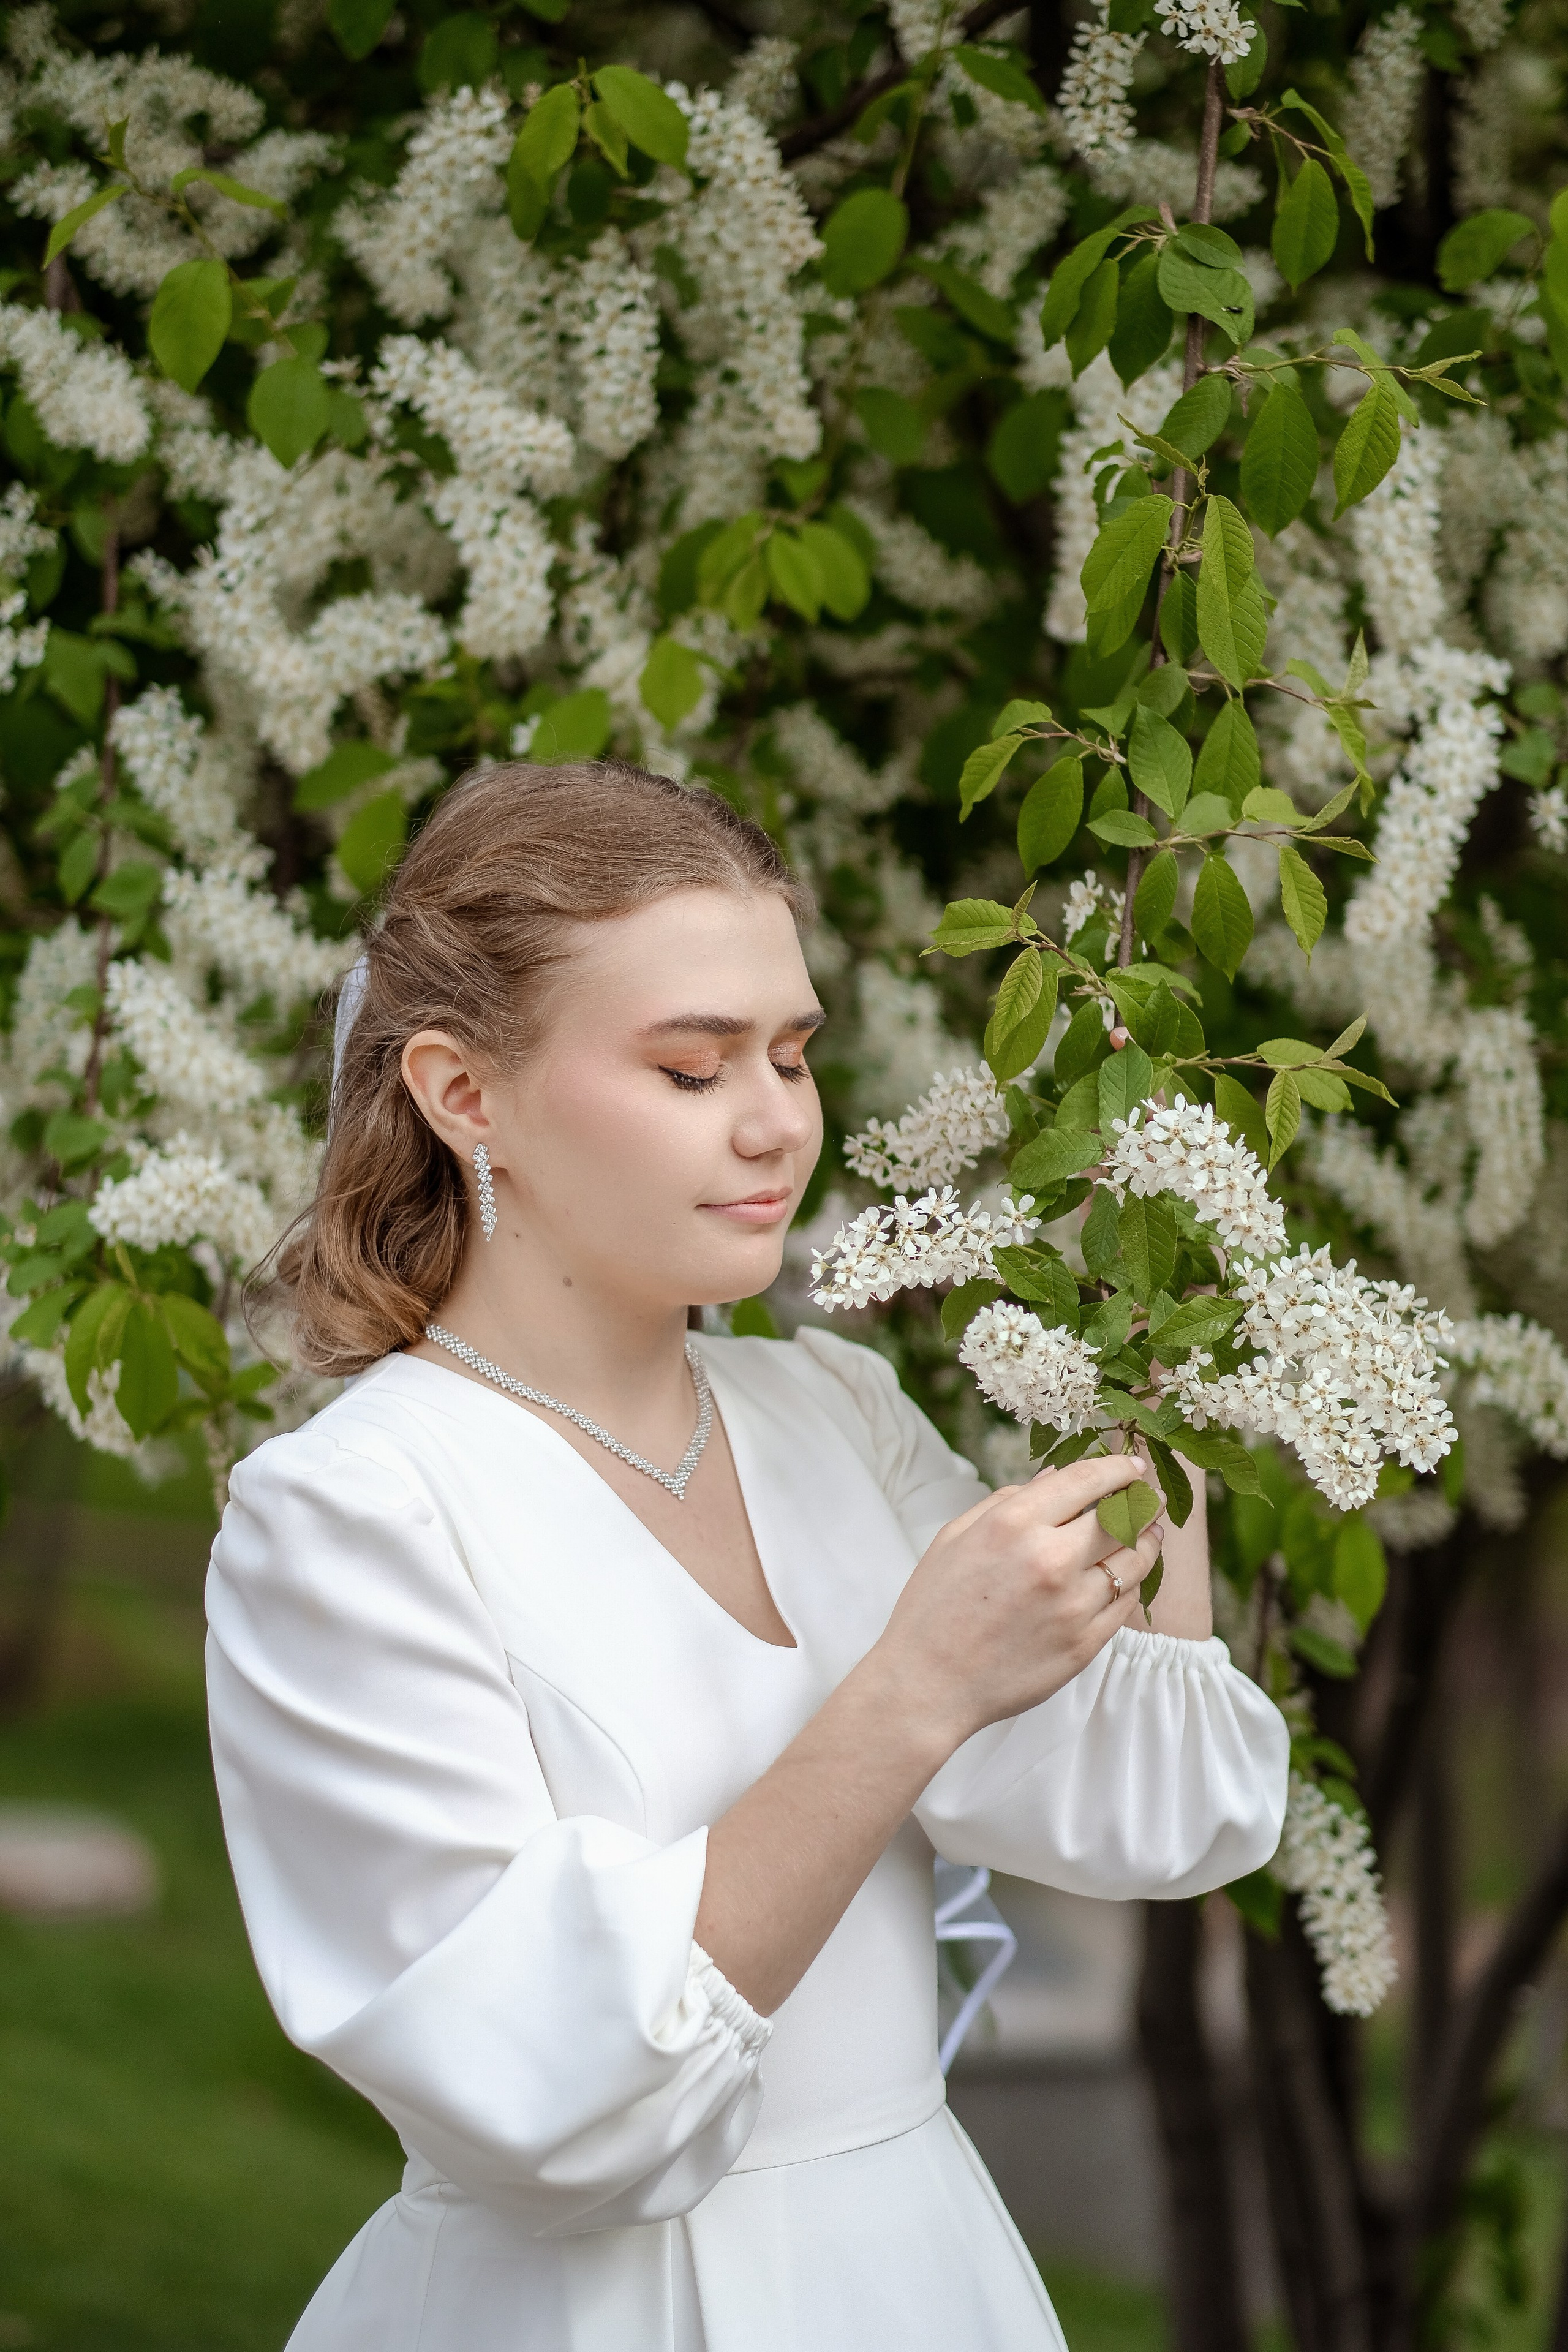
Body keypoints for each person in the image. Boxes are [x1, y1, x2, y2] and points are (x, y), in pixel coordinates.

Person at [207, 759, 1289, 2352]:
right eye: (691, 1068)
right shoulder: (354, 1515)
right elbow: (553, 2091)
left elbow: (1143, 1803)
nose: (778, 1121)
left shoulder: (829, 1408)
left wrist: (1143, 1393)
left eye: (791, 1053)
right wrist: (910, 1689)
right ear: (463, 1092)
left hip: (915, 2278)